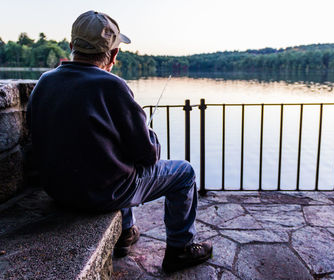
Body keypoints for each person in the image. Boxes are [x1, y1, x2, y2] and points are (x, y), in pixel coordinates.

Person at [26, 10, 212, 273]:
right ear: (113, 55)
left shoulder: (45, 82)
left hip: (58, 190)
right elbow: (148, 155)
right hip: (101, 194)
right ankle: (180, 248)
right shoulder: (112, 86)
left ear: (71, 47)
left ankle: (126, 232)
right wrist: (150, 135)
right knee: (185, 172)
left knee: (108, 156)